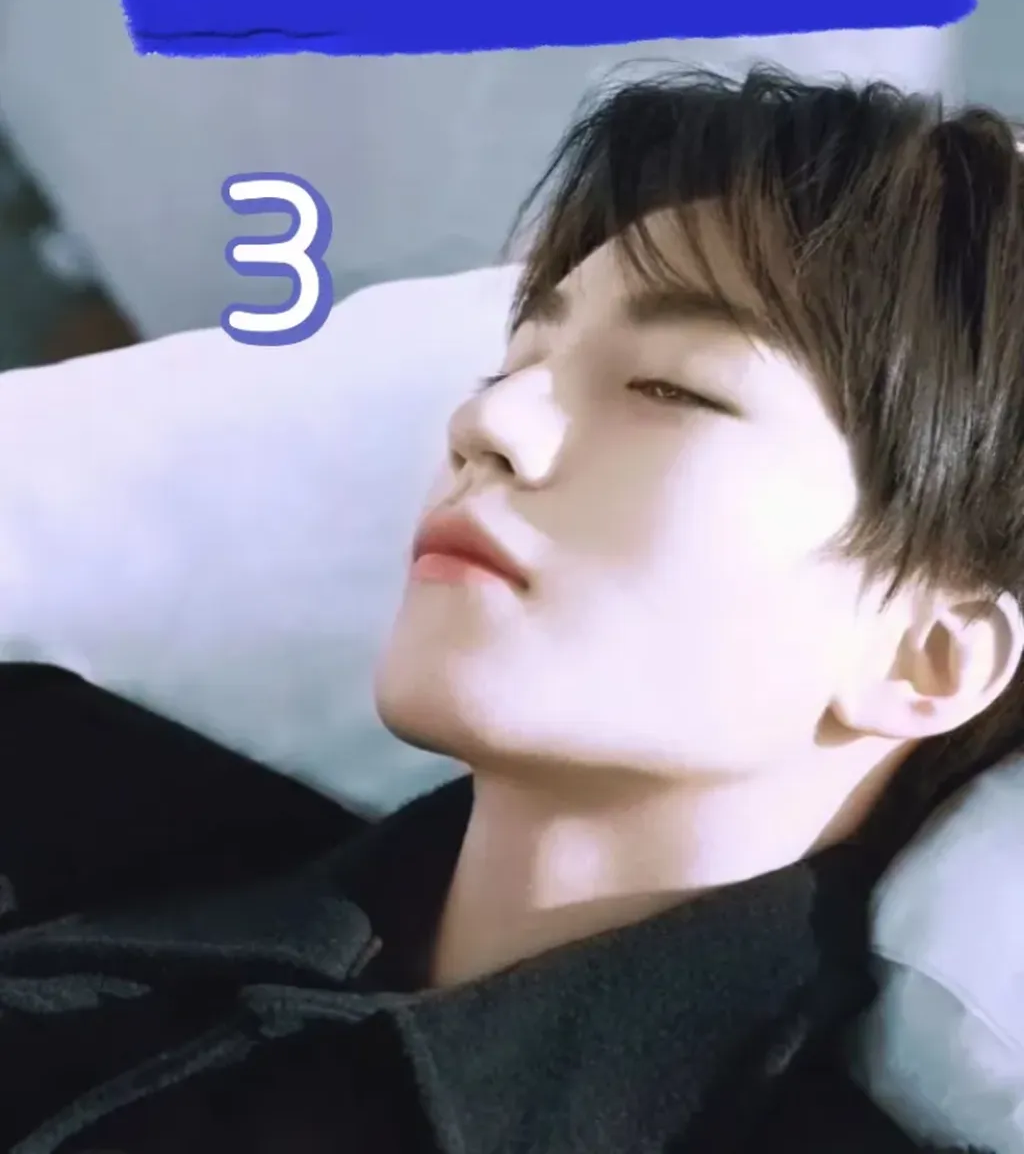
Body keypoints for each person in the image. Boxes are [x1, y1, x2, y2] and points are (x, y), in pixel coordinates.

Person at [3, 64, 1023, 1153]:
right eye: (512, 363)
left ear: (928, 655)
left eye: (671, 386)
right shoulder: (64, 807)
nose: (487, 424)